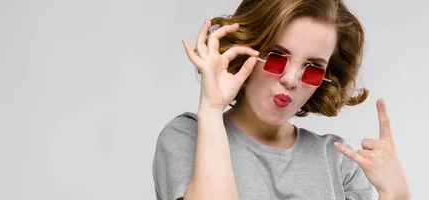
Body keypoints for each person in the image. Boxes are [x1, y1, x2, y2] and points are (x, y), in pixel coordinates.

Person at [153, 0, 409, 199]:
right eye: (277, 57)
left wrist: (396, 195)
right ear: (247, 49)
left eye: (312, 68)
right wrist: (211, 108)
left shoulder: (339, 163)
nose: (291, 79)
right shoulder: (188, 136)